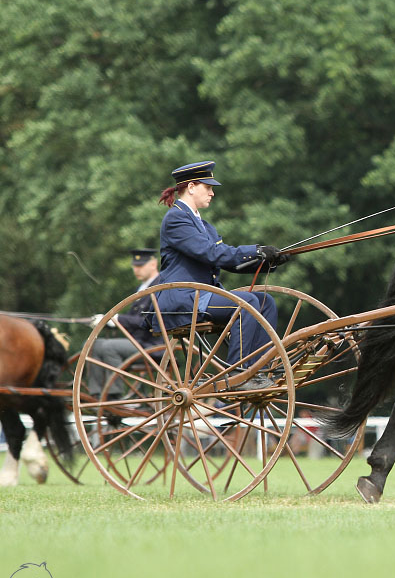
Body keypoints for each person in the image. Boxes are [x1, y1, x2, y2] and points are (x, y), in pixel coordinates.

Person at [152, 161, 288, 390]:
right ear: (192, 186)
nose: (213, 193)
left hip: (204, 295)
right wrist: (255, 250)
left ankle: (261, 369)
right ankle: (239, 373)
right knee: (247, 304)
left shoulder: (205, 226)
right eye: (209, 187)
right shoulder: (176, 219)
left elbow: (227, 262)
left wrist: (267, 262)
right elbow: (212, 253)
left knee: (266, 302)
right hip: (183, 298)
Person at [87, 248, 163, 399]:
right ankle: (96, 394)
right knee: (93, 344)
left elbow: (149, 321)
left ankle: (113, 395)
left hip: (152, 345)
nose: (136, 269)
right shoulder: (141, 288)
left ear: (153, 264)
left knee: (109, 347)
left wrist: (115, 319)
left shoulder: (160, 286)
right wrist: (107, 321)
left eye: (141, 266)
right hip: (136, 343)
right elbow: (132, 319)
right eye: (135, 266)